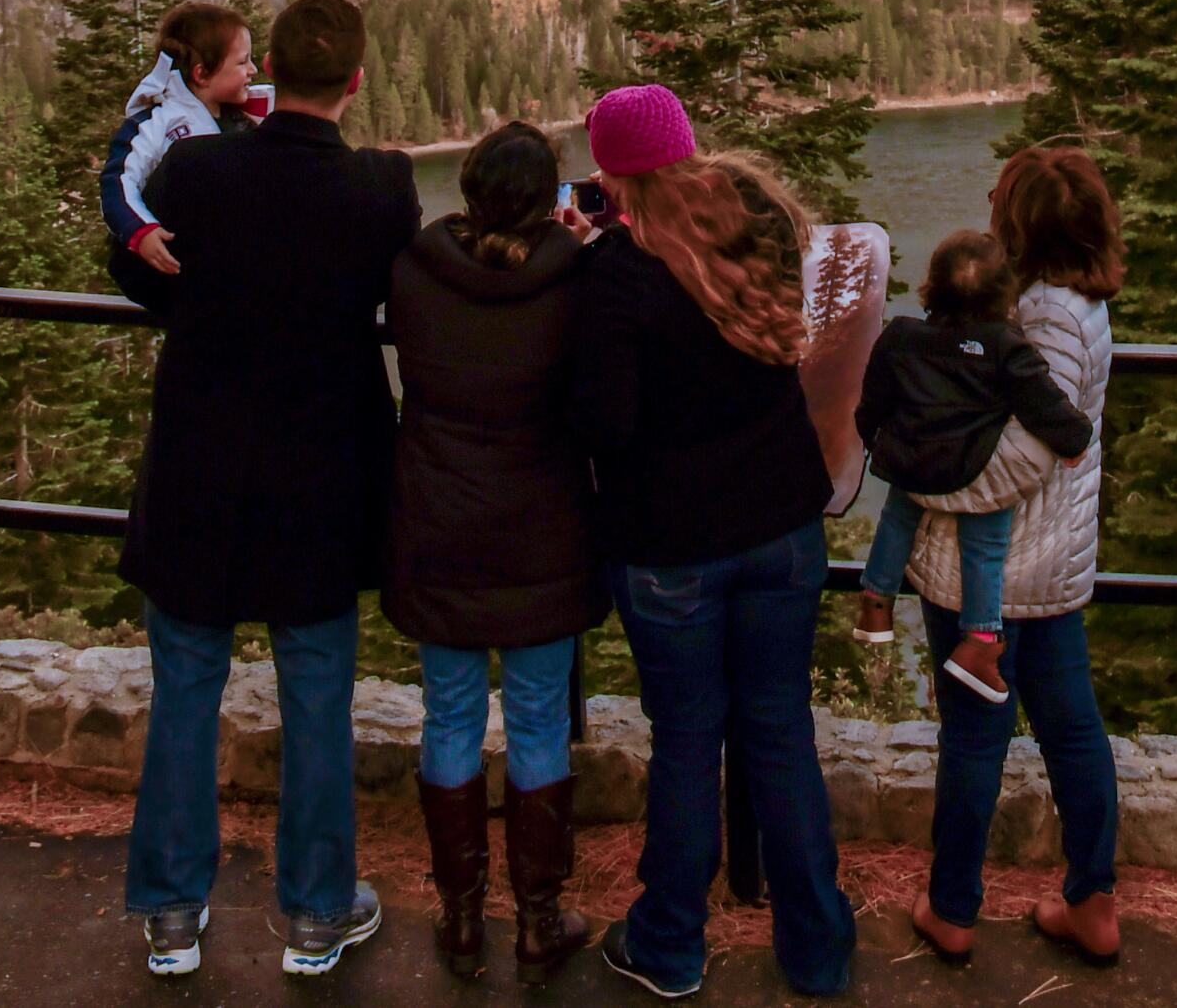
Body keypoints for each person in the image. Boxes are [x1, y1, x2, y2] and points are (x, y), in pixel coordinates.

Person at [119, 0, 420, 982]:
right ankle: (316, 912)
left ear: (264, 76)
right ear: (356, 80)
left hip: (199, 476)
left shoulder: (198, 168)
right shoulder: (381, 187)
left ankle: (170, 909)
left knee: (184, 694)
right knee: (319, 702)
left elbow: (145, 259)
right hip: (319, 489)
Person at [570, 83, 854, 1003]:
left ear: (611, 173)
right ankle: (817, 948)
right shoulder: (759, 223)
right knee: (780, 732)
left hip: (674, 545)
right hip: (782, 522)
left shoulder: (618, 270)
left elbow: (605, 423)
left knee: (688, 740)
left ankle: (670, 944)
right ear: (686, 145)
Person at [384, 119, 604, 986]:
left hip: (439, 519)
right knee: (543, 719)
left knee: (448, 715)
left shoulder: (413, 273)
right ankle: (540, 919)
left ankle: (463, 914)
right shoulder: (574, 281)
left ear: (469, 191)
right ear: (550, 198)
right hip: (541, 523)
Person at [900, 148, 1125, 971]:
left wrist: (934, 492)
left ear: (1025, 220)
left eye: (1003, 192)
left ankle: (954, 909)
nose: (989, 194)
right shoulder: (1075, 303)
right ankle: (1090, 901)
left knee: (976, 738)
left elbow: (1031, 453)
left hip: (999, 571)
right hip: (1051, 564)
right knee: (1071, 731)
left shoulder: (1049, 314)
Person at [852, 227, 1091, 702]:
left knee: (897, 517)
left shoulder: (901, 336)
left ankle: (875, 603)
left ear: (930, 286)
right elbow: (1046, 407)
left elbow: (871, 404)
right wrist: (1074, 441)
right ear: (1006, 292)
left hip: (914, 466)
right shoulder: (1006, 348)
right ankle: (980, 641)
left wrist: (876, 439)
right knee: (985, 540)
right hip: (972, 468)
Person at [101, 1, 255, 279]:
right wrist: (140, 230)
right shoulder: (154, 125)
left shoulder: (245, 122)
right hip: (174, 265)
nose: (253, 70)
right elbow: (119, 183)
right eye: (243, 62)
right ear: (201, 73)